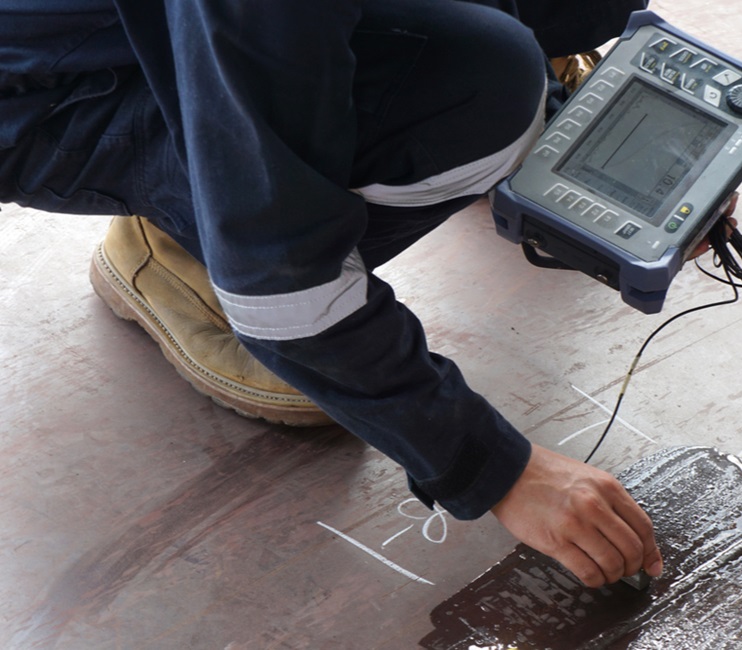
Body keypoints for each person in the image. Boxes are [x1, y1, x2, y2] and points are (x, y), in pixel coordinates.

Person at [0, 0, 668, 589]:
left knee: (524, 60)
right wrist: (498, 469)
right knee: (488, 86)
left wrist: (605, 158)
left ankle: (238, 179)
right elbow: (283, 271)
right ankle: (191, 242)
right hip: (40, 91)